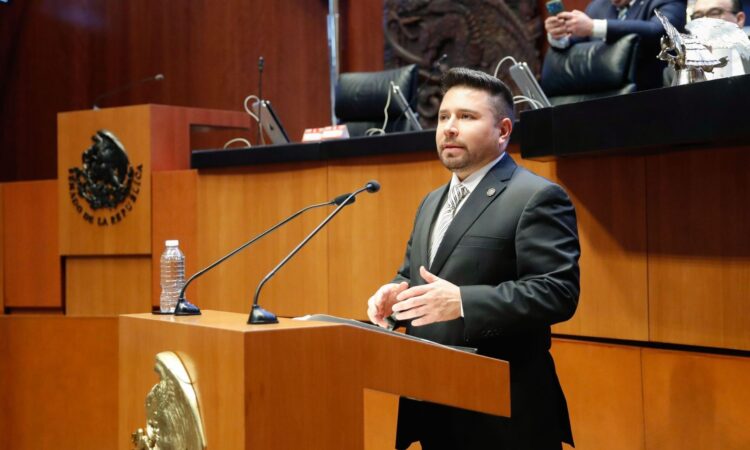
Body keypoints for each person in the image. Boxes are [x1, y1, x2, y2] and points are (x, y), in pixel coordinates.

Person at [366, 68, 580, 450]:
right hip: (434, 403)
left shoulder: (536, 197)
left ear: (503, 131)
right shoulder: (431, 201)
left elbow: (557, 292)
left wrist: (463, 301)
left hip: (504, 416)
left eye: (466, 117)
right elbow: (417, 276)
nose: (449, 128)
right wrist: (395, 295)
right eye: (443, 117)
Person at [544, 0, 687, 89]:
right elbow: (574, 41)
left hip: (652, 95)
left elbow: (661, 30)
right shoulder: (597, 6)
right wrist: (558, 35)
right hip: (601, 100)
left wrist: (594, 26)